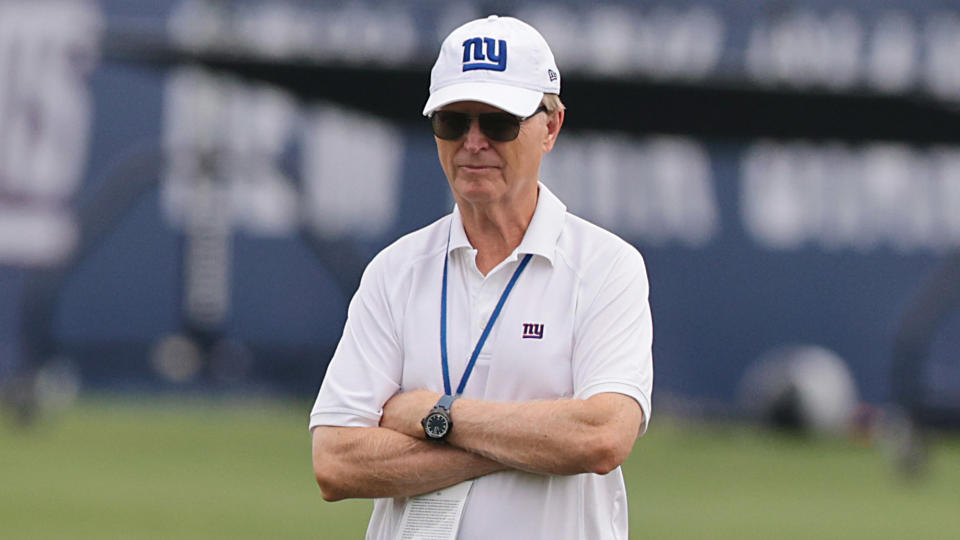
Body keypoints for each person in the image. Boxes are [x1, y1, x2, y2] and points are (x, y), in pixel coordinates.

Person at [310, 15, 653, 540]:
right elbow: (335, 462)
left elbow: (602, 437)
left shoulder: (607, 265)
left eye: (499, 122)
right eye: (453, 121)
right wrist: (531, 443)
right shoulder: (395, 270)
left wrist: (431, 414)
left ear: (551, 128)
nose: (473, 142)